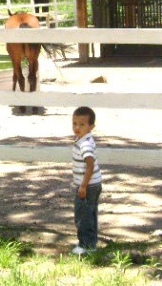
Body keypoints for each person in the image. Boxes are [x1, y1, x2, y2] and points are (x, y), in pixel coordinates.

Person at [71, 106, 102, 255]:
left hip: (87, 186)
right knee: (90, 213)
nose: (77, 127)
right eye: (74, 124)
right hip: (93, 184)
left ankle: (86, 245)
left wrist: (83, 186)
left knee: (83, 215)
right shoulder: (83, 139)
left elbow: (89, 165)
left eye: (82, 124)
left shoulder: (85, 144)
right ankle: (91, 242)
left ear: (91, 126)